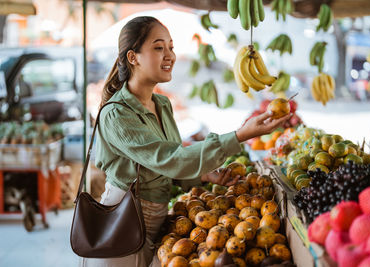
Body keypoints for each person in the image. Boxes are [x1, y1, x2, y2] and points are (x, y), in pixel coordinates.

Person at [80, 16, 291, 267]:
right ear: (132, 57)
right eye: (159, 48)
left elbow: (164, 167)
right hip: (122, 222)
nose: (170, 55)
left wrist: (203, 177)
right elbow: (169, 159)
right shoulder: (117, 113)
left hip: (156, 224)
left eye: (171, 47)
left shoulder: (162, 105)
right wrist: (240, 136)